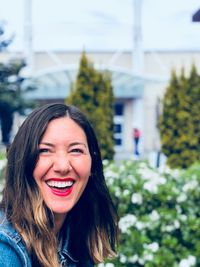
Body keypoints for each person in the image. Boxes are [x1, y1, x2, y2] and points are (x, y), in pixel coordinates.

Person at [0, 103, 118, 267]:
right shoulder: (5, 249)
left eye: (76, 150)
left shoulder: (76, 232)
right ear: (22, 163)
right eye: (44, 150)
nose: (63, 167)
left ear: (93, 163)